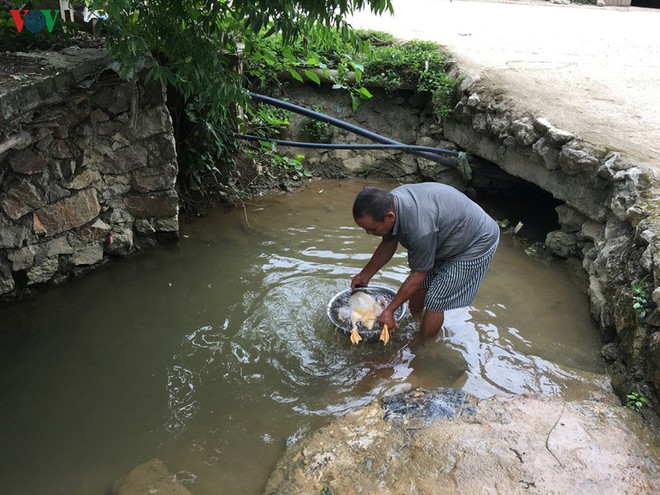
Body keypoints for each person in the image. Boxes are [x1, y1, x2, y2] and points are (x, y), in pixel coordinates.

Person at [351, 182, 499, 338]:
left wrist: (389, 310)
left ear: (390, 217)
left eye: (372, 229)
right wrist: (365, 275)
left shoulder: (418, 229)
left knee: (436, 299)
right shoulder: (391, 203)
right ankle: (414, 321)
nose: (368, 233)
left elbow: (418, 275)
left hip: (476, 242)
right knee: (420, 286)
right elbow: (389, 242)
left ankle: (421, 347)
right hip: (447, 234)